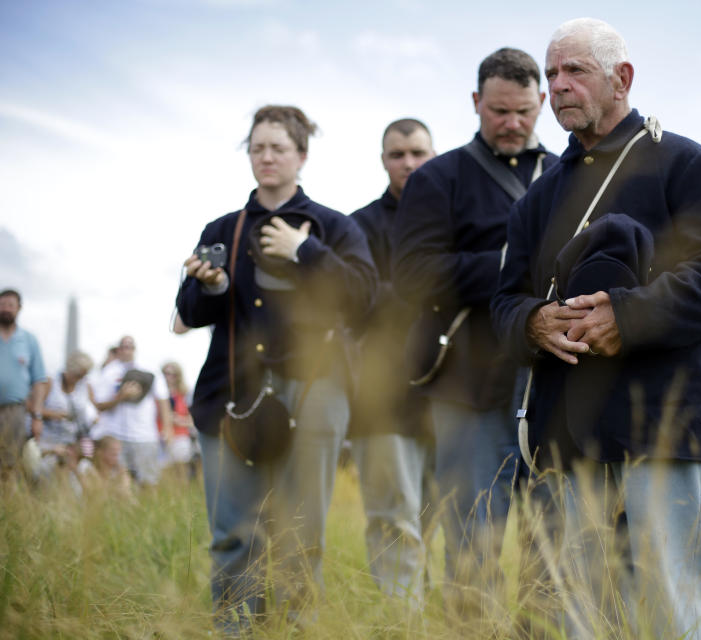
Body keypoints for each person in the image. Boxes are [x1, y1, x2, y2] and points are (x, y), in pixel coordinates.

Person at [491, 18, 701, 639]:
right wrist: (534, 322)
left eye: (574, 71)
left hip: (665, 425)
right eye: (551, 74)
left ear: (622, 78)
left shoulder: (682, 162)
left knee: (668, 609)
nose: (558, 87)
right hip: (567, 433)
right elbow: (503, 303)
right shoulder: (539, 196)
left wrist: (625, 318)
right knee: (578, 615)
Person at [176, 105, 376, 631]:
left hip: (314, 393)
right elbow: (189, 313)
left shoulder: (333, 226)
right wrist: (211, 286)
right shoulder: (222, 228)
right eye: (257, 147)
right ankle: (235, 631)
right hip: (230, 393)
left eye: (278, 148)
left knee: (301, 535)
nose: (266, 157)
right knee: (233, 533)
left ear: (301, 155)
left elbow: (364, 299)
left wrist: (305, 250)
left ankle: (296, 632)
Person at [391, 49, 558, 605]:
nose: (513, 123)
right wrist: (515, 263)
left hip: (553, 385)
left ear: (542, 105)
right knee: (470, 540)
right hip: (467, 386)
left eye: (525, 111)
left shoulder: (565, 174)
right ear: (476, 103)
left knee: (554, 545)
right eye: (499, 111)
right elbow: (413, 274)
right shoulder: (438, 178)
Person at [348, 118, 436, 602]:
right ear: (383, 160)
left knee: (441, 523)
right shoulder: (358, 225)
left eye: (418, 152)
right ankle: (401, 627)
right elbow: (355, 302)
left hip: (451, 395)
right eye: (397, 154)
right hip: (381, 400)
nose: (408, 163)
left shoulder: (455, 219)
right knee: (393, 522)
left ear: (434, 155)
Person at [90, 335, 171, 486]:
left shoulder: (149, 369)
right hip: (116, 435)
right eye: (123, 347)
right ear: (118, 349)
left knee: (148, 482)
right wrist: (121, 397)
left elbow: (163, 399)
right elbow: (99, 405)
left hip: (145, 435)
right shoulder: (109, 371)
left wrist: (167, 428)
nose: (127, 350)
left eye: (130, 347)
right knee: (119, 482)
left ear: (135, 349)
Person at [0, 288, 48, 481]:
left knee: (10, 461)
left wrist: (37, 416)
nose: (5, 309)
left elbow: (39, 381)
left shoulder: (29, 340)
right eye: (2, 304)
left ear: (18, 309)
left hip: (15, 410)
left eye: (10, 305)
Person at [34, 351, 98, 487]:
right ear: (70, 369)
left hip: (73, 442)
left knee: (76, 477)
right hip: (49, 441)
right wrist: (54, 414)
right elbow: (33, 407)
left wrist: (93, 418)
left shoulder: (85, 386)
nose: (81, 378)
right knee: (47, 476)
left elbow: (94, 407)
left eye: (84, 374)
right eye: (79, 374)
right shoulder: (50, 382)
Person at [159, 361, 197, 478]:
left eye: (173, 374)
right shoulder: (157, 393)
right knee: (163, 473)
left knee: (180, 472)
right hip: (160, 438)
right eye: (166, 373)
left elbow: (194, 419)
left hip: (180, 437)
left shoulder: (185, 394)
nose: (169, 377)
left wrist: (178, 420)